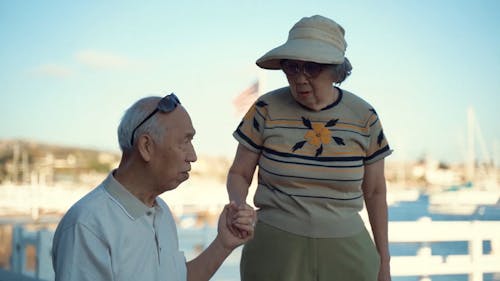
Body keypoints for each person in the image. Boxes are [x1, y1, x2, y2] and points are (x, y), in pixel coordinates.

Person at [226, 15, 392, 281]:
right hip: (273, 251)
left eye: (311, 68)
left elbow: (374, 192)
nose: (299, 78)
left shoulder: (365, 117)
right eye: (291, 67)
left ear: (336, 70)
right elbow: (239, 174)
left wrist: (384, 261)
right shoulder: (264, 109)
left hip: (349, 254)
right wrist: (238, 205)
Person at [52, 93, 257, 281]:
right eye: (184, 141)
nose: (193, 156)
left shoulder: (161, 212)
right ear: (146, 147)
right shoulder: (87, 225)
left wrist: (223, 244)